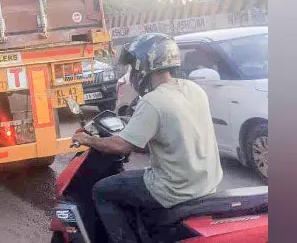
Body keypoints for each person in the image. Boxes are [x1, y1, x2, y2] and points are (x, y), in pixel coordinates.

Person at [71, 33, 223, 243]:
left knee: (102, 191)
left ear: (144, 65)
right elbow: (172, 130)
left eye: (133, 66)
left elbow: (122, 146)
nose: (132, 72)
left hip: (174, 188)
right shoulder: (193, 89)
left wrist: (88, 140)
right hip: (205, 181)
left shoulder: (153, 101)